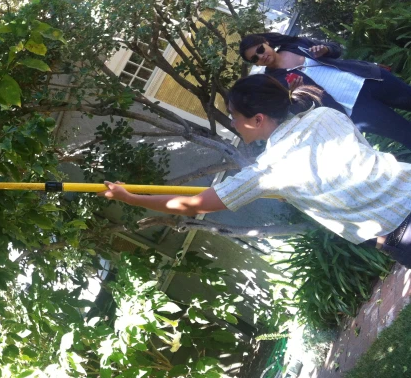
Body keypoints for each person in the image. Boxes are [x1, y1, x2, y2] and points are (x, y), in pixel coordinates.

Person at [99, 75, 411, 268]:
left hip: (397, 231)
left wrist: (131, 198)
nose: (233, 124)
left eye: (235, 117)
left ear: (258, 119)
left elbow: (194, 204)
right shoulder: (326, 114)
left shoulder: (268, 169)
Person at [239, 32, 411, 151]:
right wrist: (295, 94)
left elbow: (336, 49)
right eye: (255, 58)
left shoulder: (295, 45)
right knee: (404, 133)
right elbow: (301, 109)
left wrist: (326, 50)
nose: (261, 56)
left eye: (260, 49)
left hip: (369, 80)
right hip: (355, 109)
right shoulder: (274, 82)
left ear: (266, 43)